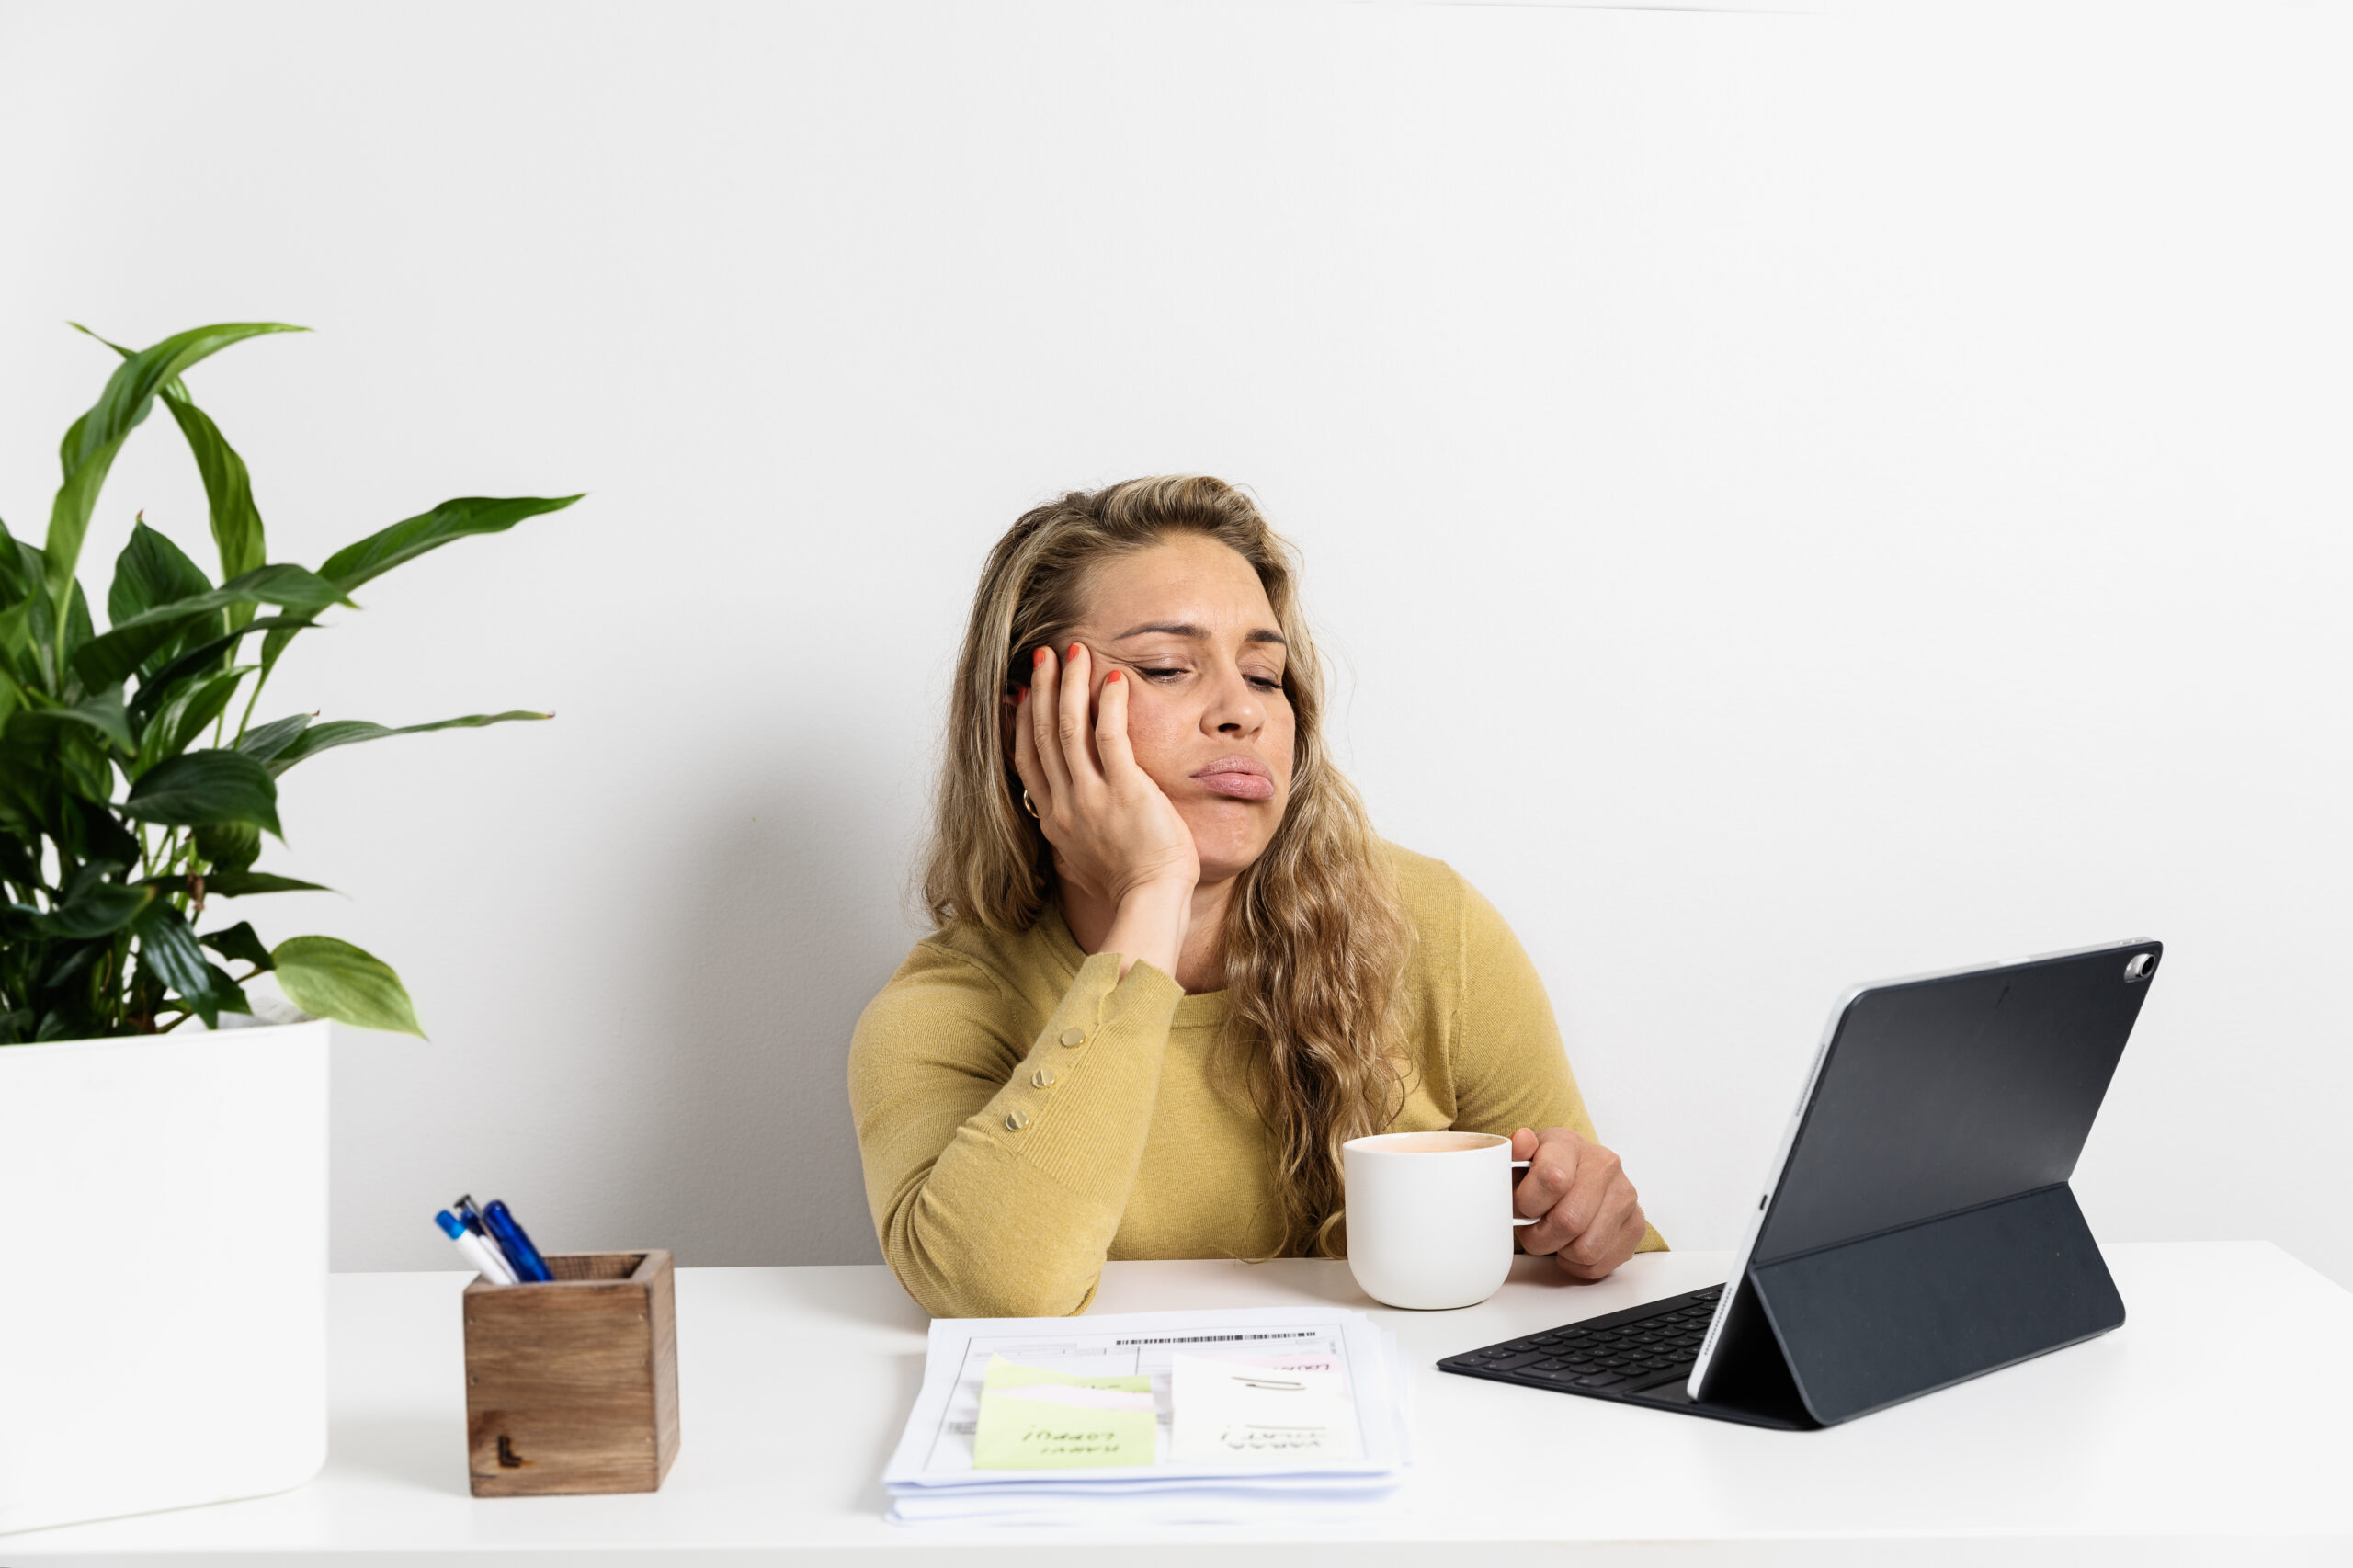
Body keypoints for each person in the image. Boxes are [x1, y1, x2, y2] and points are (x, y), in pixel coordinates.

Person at [848, 476, 1663, 1317]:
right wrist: (1153, 888)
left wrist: (1590, 1220)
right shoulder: (940, 1014)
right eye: (1168, 667)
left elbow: (1608, 1275)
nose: (1241, 710)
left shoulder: (1428, 923)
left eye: (1266, 675)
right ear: (1031, 720)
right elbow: (993, 1293)